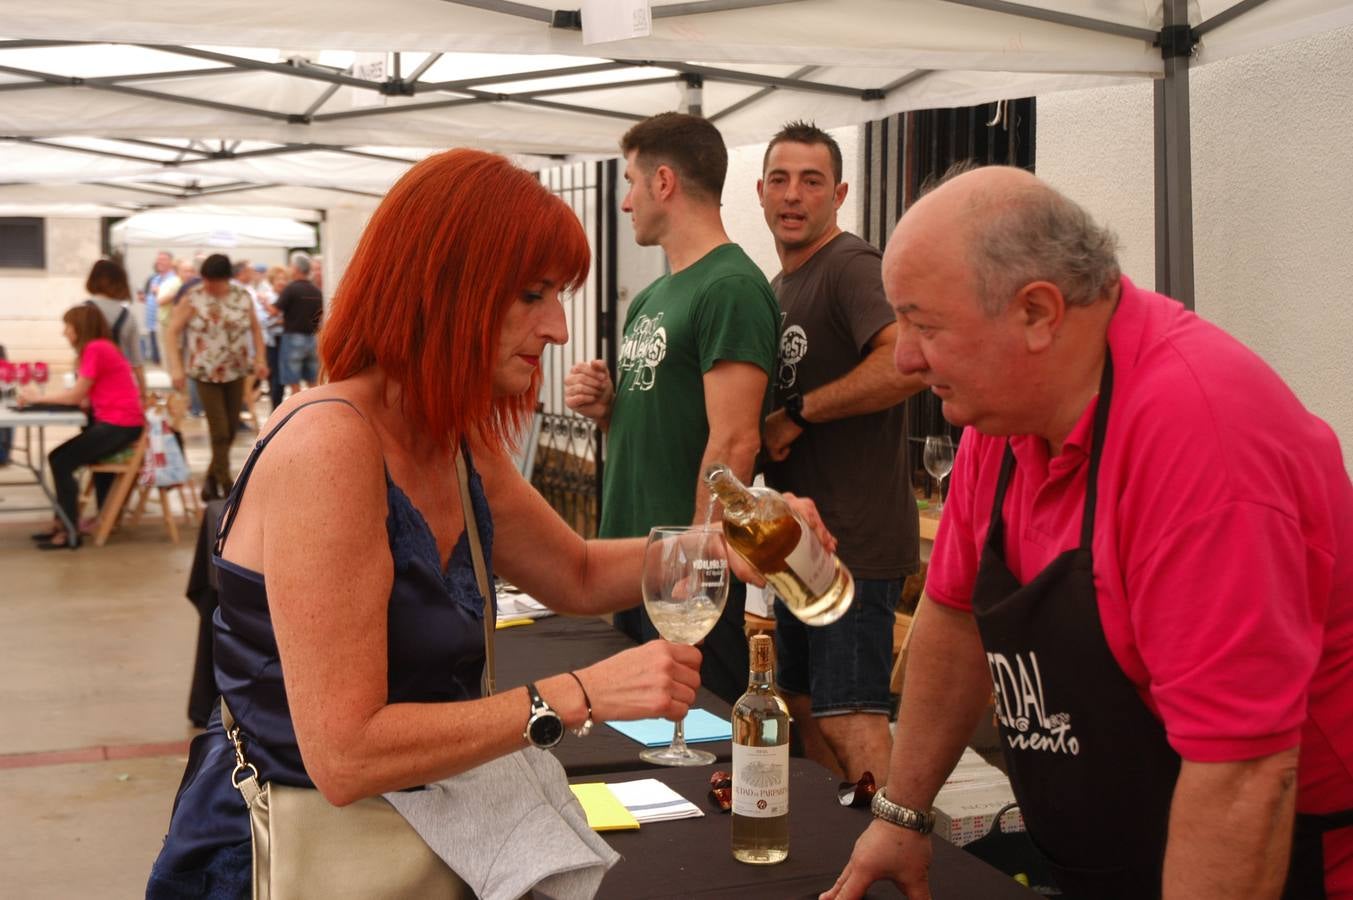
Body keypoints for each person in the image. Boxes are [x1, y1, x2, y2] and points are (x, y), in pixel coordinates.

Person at [145, 149, 827, 898]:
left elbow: (573, 573)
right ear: (440, 291)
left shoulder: (455, 435)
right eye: (532, 294)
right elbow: (344, 756)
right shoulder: (331, 445)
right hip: (294, 857)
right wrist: (577, 695)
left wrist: (722, 546)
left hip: (417, 833)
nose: (558, 328)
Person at [823, 166, 1353, 900]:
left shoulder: (1200, 438)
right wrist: (901, 811)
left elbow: (1244, 775)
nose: (905, 358)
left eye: (925, 324)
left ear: (1037, 313)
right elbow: (953, 614)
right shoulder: (1003, 414)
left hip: (1283, 856)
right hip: (1109, 846)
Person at [564, 112, 781, 704]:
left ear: (664, 182)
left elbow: (736, 441)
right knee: (644, 744)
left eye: (631, 182)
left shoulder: (730, 286)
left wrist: (697, 559)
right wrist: (608, 409)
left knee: (698, 741)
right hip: (633, 561)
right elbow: (661, 419)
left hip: (684, 574)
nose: (626, 202)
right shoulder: (655, 295)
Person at [756, 122, 924, 783]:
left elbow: (905, 363)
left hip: (852, 544)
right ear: (760, 193)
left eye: (811, 181)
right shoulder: (778, 287)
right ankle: (840, 853)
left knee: (850, 716)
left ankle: (892, 850)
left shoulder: (850, 265)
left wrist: (797, 412)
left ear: (839, 194)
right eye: (779, 179)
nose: (793, 195)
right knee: (805, 707)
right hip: (798, 542)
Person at [17, 304, 144, 550]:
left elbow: (75, 397)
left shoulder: (95, 348)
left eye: (67, 326)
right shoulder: (102, 347)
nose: (64, 332)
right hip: (120, 421)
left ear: (79, 328)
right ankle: (63, 522)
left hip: (120, 424)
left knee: (60, 460)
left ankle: (68, 529)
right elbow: (84, 396)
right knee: (60, 458)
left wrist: (37, 398)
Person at [165, 253, 268, 500]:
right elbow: (171, 332)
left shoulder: (241, 297)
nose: (210, 285)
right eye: (207, 280)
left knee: (231, 428)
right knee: (219, 429)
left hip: (236, 369)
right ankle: (227, 484)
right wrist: (177, 368)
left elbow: (255, 329)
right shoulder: (193, 298)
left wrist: (260, 359)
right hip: (204, 372)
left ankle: (211, 483)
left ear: (227, 279)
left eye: (215, 281)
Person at [85, 258, 147, 401]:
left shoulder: (81, 311)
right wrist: (143, 393)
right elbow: (136, 360)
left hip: (90, 385)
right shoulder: (127, 315)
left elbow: (79, 353)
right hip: (121, 386)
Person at [273, 251, 323, 393]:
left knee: (293, 380)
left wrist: (263, 302)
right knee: (313, 380)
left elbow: (274, 311)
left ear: (295, 268)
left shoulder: (291, 288)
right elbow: (319, 316)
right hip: (312, 338)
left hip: (293, 337)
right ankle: (314, 408)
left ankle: (298, 410)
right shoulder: (316, 291)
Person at [254, 263, 285, 410]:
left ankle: (278, 407)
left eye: (284, 279)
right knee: (274, 376)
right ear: (272, 280)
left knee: (282, 377)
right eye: (279, 279)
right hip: (271, 342)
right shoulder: (267, 297)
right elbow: (262, 320)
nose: (282, 282)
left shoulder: (286, 297)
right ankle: (275, 408)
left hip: (284, 341)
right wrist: (279, 321)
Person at [139, 250, 172, 364]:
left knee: (166, 356)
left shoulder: (172, 279)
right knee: (156, 358)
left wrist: (159, 291)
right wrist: (145, 297)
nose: (159, 262)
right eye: (158, 260)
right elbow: (148, 296)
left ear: (170, 262)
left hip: (165, 322)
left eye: (163, 259)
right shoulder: (154, 278)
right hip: (152, 322)